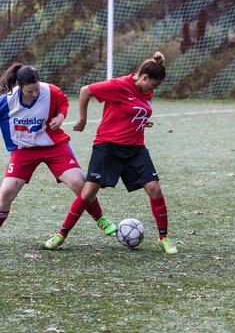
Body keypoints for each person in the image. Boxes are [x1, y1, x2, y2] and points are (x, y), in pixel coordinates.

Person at [46, 51, 177, 254]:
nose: (154, 89)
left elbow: (134, 109)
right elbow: (85, 90)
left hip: (135, 149)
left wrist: (142, 120)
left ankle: (164, 238)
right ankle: (61, 233)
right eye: (154, 85)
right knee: (88, 193)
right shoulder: (118, 85)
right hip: (107, 146)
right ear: (144, 77)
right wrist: (82, 119)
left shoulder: (146, 91)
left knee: (155, 190)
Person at [0, 63, 116, 242]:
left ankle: (100, 219)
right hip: (24, 150)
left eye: (36, 88)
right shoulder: (7, 101)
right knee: (5, 193)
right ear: (20, 86)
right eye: (30, 91)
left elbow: (63, 102)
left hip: (53, 146)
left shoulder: (50, 91)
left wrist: (60, 116)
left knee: (79, 183)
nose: (35, 93)